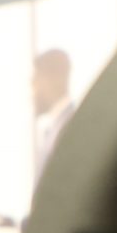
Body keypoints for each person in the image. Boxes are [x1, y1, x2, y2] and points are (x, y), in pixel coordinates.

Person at [33, 49, 77, 178]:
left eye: (35, 80)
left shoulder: (71, 126)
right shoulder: (56, 127)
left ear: (52, 79)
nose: (32, 90)